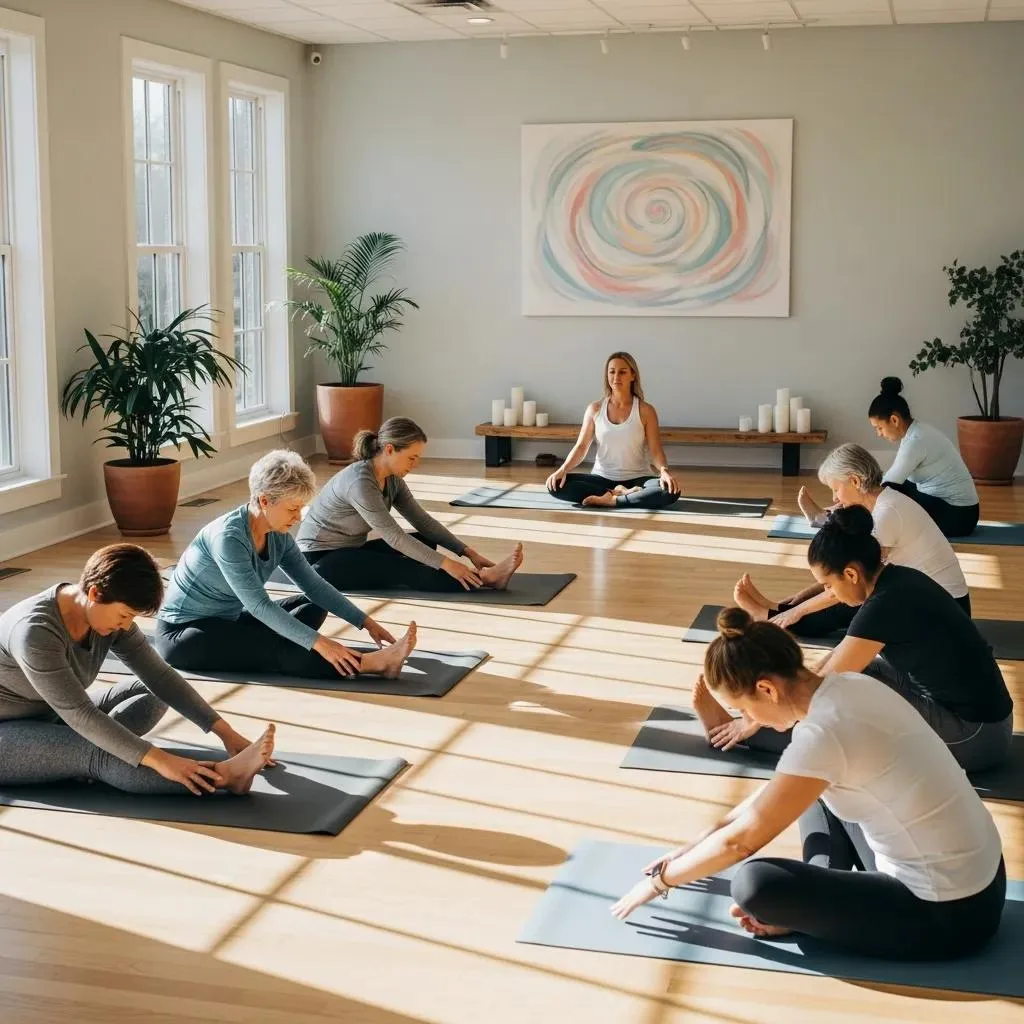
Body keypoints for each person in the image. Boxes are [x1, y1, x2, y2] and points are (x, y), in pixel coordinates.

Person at [611, 607, 1006, 962]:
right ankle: (816, 910)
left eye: (744, 708)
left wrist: (662, 882)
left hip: (948, 914)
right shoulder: (851, 685)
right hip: (982, 877)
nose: (749, 718)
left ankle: (813, 909)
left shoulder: (824, 734)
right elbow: (766, 800)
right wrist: (690, 847)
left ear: (766, 688)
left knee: (754, 884)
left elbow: (741, 843)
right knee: (809, 792)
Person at [698, 506, 1012, 772]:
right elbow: (833, 663)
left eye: (828, 585)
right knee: (861, 674)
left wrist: (754, 720)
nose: (829, 594)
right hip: (980, 719)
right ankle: (759, 724)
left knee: (834, 709)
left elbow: (820, 686)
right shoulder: (895, 580)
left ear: (851, 574)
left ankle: (750, 736)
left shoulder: (883, 607)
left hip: (976, 738)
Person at [0, 544, 276, 796]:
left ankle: (69, 756)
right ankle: (225, 778)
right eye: (124, 615)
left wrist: (224, 731)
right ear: (95, 593)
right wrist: (161, 760)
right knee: (98, 749)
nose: (126, 625)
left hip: (48, 715)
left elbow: (159, 676)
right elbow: (79, 714)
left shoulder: (104, 615)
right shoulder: (35, 633)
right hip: (9, 734)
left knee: (152, 692)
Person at [155, 450, 417, 680]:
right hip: (185, 635)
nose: (298, 517)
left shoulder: (277, 534)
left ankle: (282, 647)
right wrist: (321, 643)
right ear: (264, 500)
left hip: (230, 621)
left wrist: (366, 622)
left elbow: (313, 585)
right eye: (293, 509)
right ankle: (373, 664)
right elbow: (259, 605)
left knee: (314, 607)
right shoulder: (228, 538)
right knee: (282, 648)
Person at [736, 443, 970, 640]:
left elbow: (851, 579)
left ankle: (770, 618)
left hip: (944, 609)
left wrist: (797, 611)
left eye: (836, 489)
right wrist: (795, 602)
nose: (834, 498)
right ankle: (775, 610)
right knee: (848, 591)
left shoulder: (887, 513)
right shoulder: (881, 503)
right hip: (929, 598)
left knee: (850, 602)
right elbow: (840, 570)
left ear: (855, 482)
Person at [298, 418, 524, 594]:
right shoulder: (360, 482)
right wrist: (449, 564)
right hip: (320, 562)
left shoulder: (392, 478)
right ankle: (485, 579)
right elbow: (394, 537)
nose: (415, 464)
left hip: (348, 551)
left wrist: (467, 552)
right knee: (400, 567)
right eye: (411, 457)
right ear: (389, 450)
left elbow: (422, 521)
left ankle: (468, 574)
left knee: (424, 540)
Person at [544, 352, 681, 509]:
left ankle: (613, 499)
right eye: (612, 371)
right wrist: (562, 469)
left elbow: (656, 450)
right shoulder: (594, 409)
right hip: (602, 478)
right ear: (607, 375)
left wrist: (664, 471)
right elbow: (581, 447)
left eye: (622, 372)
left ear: (633, 376)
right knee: (555, 484)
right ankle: (622, 494)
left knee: (670, 491)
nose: (616, 377)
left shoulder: (646, 410)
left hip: (638, 478)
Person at [870, 376, 980, 537]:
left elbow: (889, 485)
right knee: (897, 488)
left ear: (894, 420)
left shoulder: (916, 441)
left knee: (889, 492)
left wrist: (859, 498)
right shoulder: (917, 431)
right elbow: (895, 477)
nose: (879, 434)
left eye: (879, 427)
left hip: (959, 517)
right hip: (961, 512)